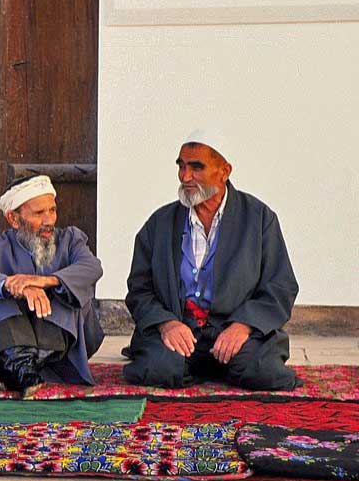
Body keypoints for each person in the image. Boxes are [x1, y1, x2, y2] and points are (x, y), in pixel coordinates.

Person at [123, 129, 300, 390]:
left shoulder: (259, 219)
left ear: (224, 171)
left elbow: (280, 286)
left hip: (234, 328)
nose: (185, 177)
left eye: (196, 167)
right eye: (181, 167)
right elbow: (140, 289)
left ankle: (223, 361)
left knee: (263, 372)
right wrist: (167, 324)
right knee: (161, 367)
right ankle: (203, 365)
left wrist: (243, 326)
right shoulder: (160, 223)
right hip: (180, 327)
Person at [0, 175, 104, 392]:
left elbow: (92, 267)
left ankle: (25, 369)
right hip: (7, 342)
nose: (49, 221)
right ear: (14, 219)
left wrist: (45, 282)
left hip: (58, 347)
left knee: (67, 291)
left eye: (52, 210)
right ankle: (21, 368)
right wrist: (10, 285)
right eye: (38, 213)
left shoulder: (71, 239)